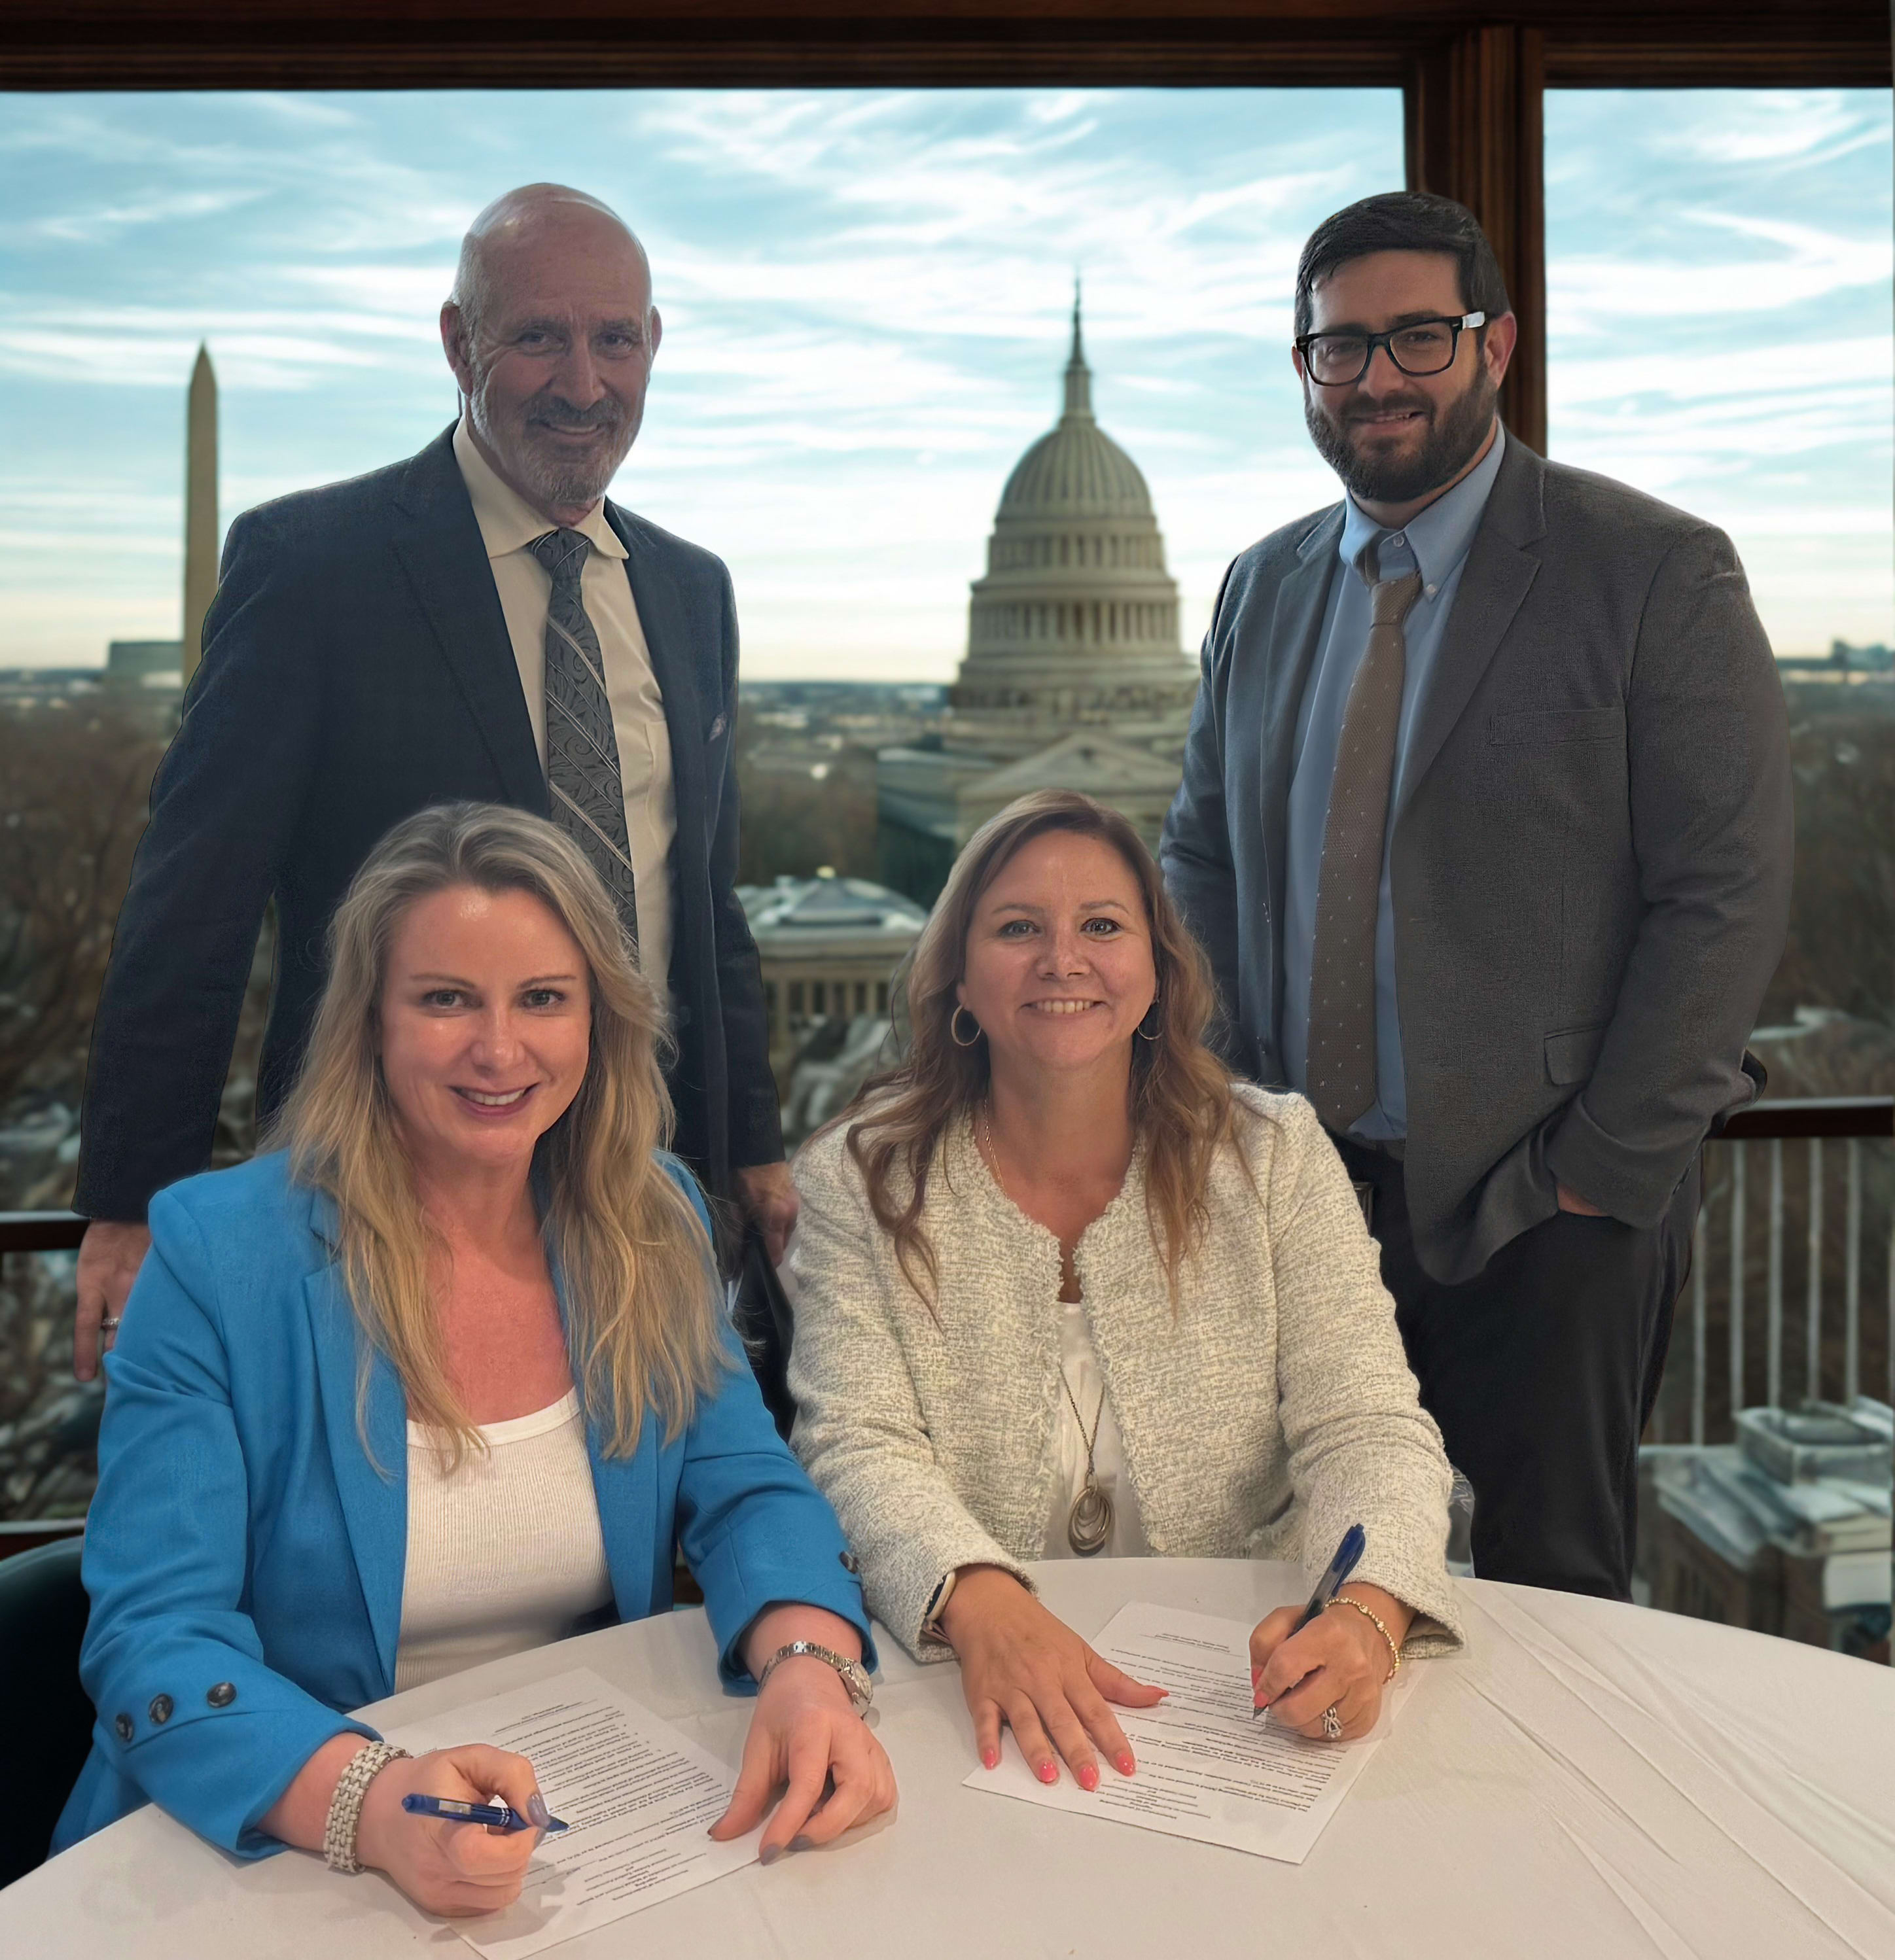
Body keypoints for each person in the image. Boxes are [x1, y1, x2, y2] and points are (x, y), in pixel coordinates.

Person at [53, 804, 893, 1909]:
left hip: (572, 1825)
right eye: (446, 999)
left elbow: (749, 1492)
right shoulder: (217, 1257)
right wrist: (373, 1805)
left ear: (599, 1019)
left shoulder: (648, 1219)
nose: (500, 1050)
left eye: (543, 998)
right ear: (369, 1021)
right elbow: (155, 1638)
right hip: (267, 1843)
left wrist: (809, 1665)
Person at [1160, 192, 1793, 1600]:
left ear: (1495, 345)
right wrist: (1220, 1097)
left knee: (1550, 1594)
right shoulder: (1260, 588)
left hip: (1547, 1208)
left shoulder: (1650, 570)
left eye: (1417, 337)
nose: (1375, 376)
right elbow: (1196, 858)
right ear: (1305, 367)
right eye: (1339, 347)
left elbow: (1724, 892)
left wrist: (1597, 1171)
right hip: (1299, 1195)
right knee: (1295, 1578)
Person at [72, 182, 794, 1383]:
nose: (583, 383)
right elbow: (194, 901)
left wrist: (753, 1147)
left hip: (647, 1196)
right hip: (376, 1202)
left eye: (615, 340)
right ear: (460, 344)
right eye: (539, 337)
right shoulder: (313, 566)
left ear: (654, 346)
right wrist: (135, 1197)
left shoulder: (691, 589)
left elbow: (703, 905)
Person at [788, 791, 1462, 1789]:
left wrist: (1368, 1612)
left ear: (1158, 971)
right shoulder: (861, 1177)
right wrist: (978, 1599)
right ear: (960, 979)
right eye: (1019, 928)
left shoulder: (1273, 1157)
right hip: (963, 1691)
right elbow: (854, 1444)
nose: (1063, 960)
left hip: (1240, 1688)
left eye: (1102, 926)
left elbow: (1367, 1427)